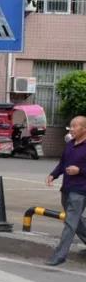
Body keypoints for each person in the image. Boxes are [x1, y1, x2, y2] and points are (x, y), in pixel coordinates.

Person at [45, 114, 86, 266]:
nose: (72, 129)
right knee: (76, 221)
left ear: (85, 128)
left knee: (70, 222)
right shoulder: (70, 144)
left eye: (75, 126)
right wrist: (53, 175)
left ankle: (60, 255)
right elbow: (63, 163)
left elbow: (80, 169)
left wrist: (80, 170)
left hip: (81, 190)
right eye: (71, 126)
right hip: (67, 188)